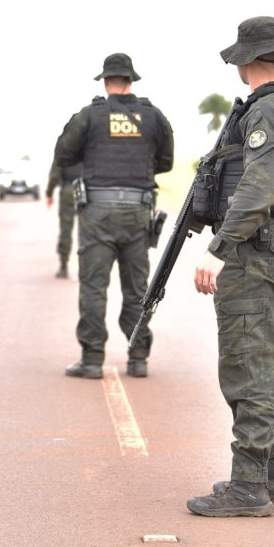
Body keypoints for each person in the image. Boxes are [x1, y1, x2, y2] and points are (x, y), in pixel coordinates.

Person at [186, 17, 274, 517]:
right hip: (269, 245)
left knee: (248, 370)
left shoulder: (270, 111)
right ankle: (273, 475)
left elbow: (258, 187)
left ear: (247, 60)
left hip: (250, 250)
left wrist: (219, 247)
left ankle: (247, 488)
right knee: (269, 364)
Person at [54, 53, 174, 379]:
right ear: (131, 80)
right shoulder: (153, 116)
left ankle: (92, 360)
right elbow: (165, 162)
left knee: (94, 286)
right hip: (138, 211)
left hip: (98, 213)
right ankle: (138, 358)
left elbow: (63, 154)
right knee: (137, 289)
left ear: (106, 82)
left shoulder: (90, 116)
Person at [45, 159, 83, 278]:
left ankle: (63, 266)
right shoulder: (89, 144)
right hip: (85, 191)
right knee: (86, 231)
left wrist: (49, 193)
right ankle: (85, 268)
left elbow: (54, 175)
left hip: (68, 189)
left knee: (66, 230)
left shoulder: (65, 147)